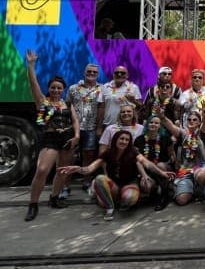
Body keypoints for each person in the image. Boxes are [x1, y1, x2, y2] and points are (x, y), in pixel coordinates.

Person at [59, 130, 175, 221]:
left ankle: (113, 199)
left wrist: (162, 173)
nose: (124, 141)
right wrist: (78, 169)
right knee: (99, 179)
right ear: (116, 140)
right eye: (121, 139)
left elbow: (147, 163)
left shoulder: (133, 151)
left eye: (127, 140)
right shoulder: (108, 152)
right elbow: (90, 168)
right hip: (114, 185)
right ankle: (110, 207)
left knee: (129, 199)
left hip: (129, 184)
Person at [24, 50, 81, 221]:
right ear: (49, 89)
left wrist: (77, 136)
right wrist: (31, 65)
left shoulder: (67, 103)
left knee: (62, 171)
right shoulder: (43, 102)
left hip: (68, 139)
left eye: (59, 88)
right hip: (50, 139)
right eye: (53, 87)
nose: (56, 90)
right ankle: (33, 204)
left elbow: (75, 120)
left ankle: (54, 198)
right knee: (42, 170)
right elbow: (33, 83)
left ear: (63, 90)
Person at [63, 63, 102, 195]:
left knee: (88, 155)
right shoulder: (73, 88)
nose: (91, 74)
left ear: (98, 74)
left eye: (94, 72)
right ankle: (65, 186)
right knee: (70, 157)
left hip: (91, 128)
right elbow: (67, 105)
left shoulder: (102, 89)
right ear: (84, 72)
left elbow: (103, 107)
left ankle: (86, 182)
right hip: (74, 128)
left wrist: (99, 127)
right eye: (89, 71)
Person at [162, 107, 205, 206]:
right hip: (185, 171)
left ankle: (202, 189)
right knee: (181, 200)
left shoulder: (201, 134)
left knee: (201, 175)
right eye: (189, 119)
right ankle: (191, 190)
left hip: (200, 168)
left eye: (195, 119)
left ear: (199, 123)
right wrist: (162, 116)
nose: (191, 121)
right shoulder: (183, 134)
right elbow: (170, 126)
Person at [134, 115, 177, 211]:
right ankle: (152, 195)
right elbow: (137, 160)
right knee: (146, 185)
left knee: (160, 165)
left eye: (156, 123)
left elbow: (172, 155)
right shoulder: (139, 140)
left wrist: (173, 164)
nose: (153, 124)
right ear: (147, 124)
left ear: (160, 126)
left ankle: (164, 196)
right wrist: (144, 175)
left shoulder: (165, 138)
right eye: (151, 122)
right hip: (146, 170)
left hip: (164, 168)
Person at [96, 65, 142, 132]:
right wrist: (99, 127)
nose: (119, 74)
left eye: (122, 73)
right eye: (116, 72)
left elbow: (140, 107)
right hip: (108, 126)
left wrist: (134, 101)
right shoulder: (105, 87)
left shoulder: (134, 87)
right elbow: (101, 108)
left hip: (127, 127)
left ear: (127, 75)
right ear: (113, 75)